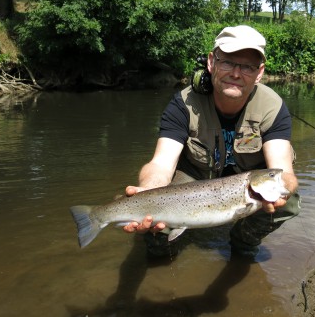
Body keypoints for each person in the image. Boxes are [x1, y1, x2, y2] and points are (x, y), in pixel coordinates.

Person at [123, 25, 300, 258]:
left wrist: (284, 189)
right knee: (156, 233)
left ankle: (244, 242)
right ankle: (162, 251)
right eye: (227, 62)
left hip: (247, 182)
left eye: (247, 66)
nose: (236, 74)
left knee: (288, 202)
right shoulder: (183, 104)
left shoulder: (273, 107)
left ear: (259, 72)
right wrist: (149, 191)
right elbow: (161, 164)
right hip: (194, 179)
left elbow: (283, 170)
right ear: (211, 62)